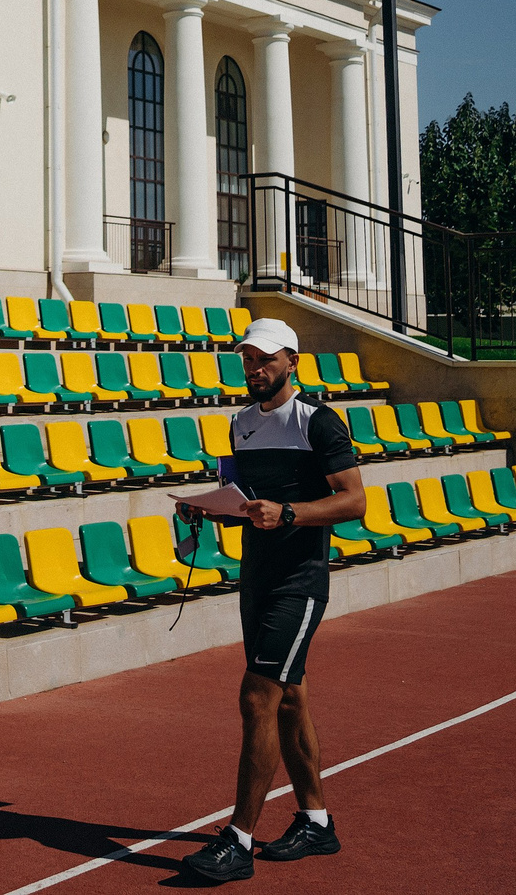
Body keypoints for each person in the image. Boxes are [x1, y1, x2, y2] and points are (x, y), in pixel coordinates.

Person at [177, 319, 365, 883]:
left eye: (266, 360)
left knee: (257, 697)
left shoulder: (319, 422)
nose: (256, 370)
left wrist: (289, 514)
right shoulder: (239, 425)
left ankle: (237, 840)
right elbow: (245, 500)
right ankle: (316, 821)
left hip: (299, 582)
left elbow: (355, 501)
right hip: (255, 577)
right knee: (289, 700)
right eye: (248, 360)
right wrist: (207, 508)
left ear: (292, 362)